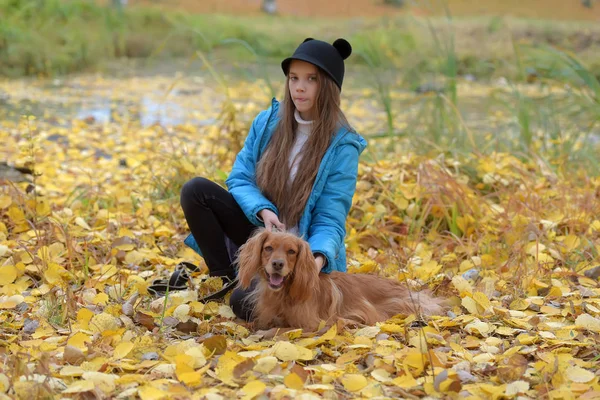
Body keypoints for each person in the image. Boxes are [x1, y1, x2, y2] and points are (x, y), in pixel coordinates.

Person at [179, 37, 367, 321]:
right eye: (293, 78)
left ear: (328, 86)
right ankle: (225, 276)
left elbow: (331, 220)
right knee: (196, 191)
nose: (299, 87)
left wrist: (311, 265)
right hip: (261, 234)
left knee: (244, 305)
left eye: (311, 79)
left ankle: (248, 287)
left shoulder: (342, 146)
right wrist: (263, 210)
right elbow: (240, 178)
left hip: (298, 252)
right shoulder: (269, 122)